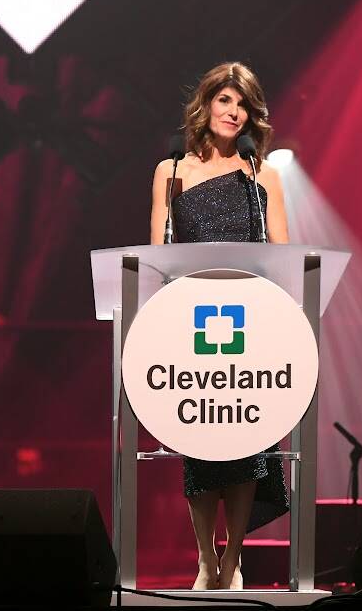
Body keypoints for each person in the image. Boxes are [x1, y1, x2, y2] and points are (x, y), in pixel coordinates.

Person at [149, 62, 289, 590]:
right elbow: (155, 257)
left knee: (246, 442)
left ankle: (232, 560)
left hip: (250, 321)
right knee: (202, 441)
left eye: (244, 104)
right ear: (205, 104)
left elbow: (283, 255)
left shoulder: (262, 175)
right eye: (226, 100)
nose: (234, 112)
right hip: (192, 321)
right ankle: (206, 558)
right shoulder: (172, 171)